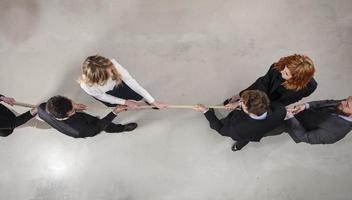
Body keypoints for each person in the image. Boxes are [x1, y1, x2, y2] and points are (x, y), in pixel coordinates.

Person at [194, 90, 286, 151]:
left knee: (244, 137)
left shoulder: (237, 128)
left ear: (247, 110)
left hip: (245, 132)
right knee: (248, 137)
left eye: (242, 102)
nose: (240, 102)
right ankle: (239, 146)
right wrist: (238, 103)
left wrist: (205, 111)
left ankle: (239, 145)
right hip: (262, 130)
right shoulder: (281, 110)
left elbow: (221, 129)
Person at [224, 54, 317, 107]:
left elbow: (296, 98)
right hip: (264, 86)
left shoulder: (311, 86)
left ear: (297, 79)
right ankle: (237, 97)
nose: (281, 72)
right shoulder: (277, 67)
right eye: (284, 68)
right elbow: (263, 84)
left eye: (287, 74)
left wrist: (268, 105)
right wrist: (242, 100)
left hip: (278, 100)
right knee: (247, 93)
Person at [79, 55, 168, 109]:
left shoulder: (111, 63)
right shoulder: (86, 85)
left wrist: (152, 101)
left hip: (119, 85)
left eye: (111, 70)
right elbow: (103, 97)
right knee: (119, 104)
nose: (111, 74)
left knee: (135, 95)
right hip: (107, 93)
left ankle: (147, 102)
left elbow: (131, 82)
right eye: (106, 76)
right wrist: (125, 102)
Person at [37, 95, 137, 138]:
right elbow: (99, 127)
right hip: (88, 127)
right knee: (100, 124)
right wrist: (114, 112)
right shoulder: (80, 130)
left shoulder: (42, 108)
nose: (74, 108)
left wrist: (74, 106)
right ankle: (120, 128)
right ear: (67, 114)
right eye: (72, 109)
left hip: (72, 119)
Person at [284, 96, 352, 144]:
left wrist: (289, 117)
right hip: (295, 112)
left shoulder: (336, 133)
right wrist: (305, 106)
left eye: (347, 105)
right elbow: (327, 103)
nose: (342, 102)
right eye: (346, 99)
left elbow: (304, 136)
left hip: (288, 125)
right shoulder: (345, 103)